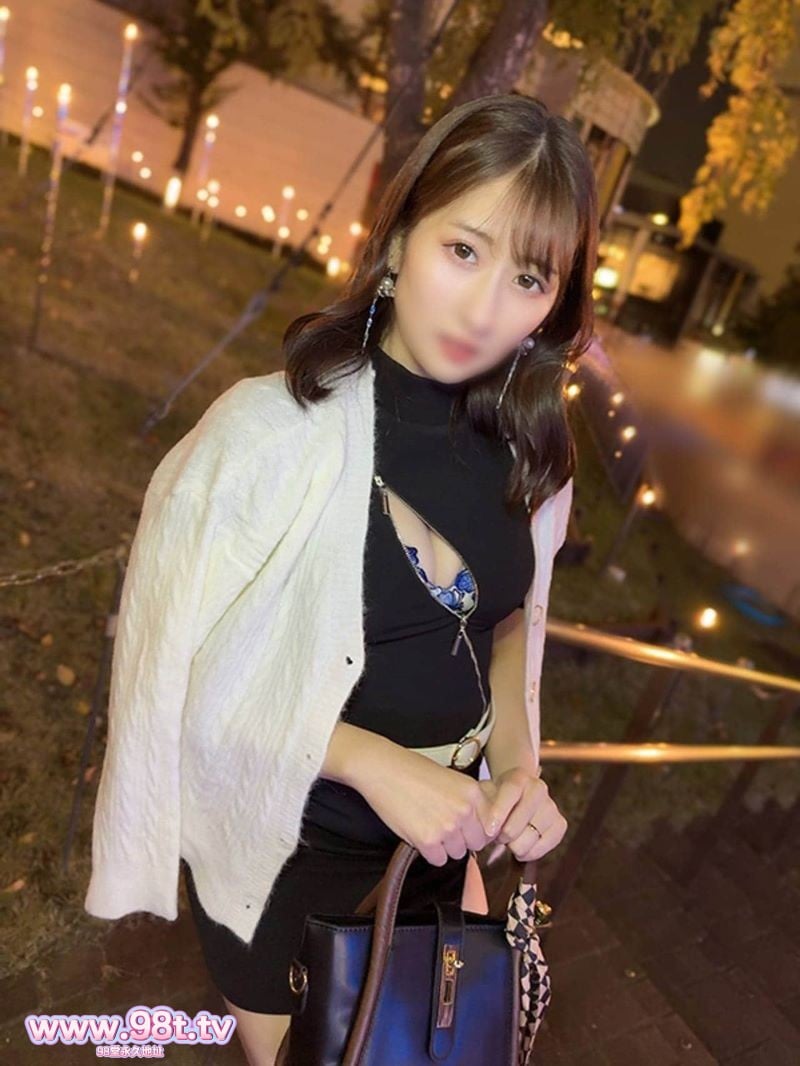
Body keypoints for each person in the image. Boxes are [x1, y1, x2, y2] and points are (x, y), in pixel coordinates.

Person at [84, 92, 598, 1065]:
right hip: (288, 847)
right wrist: (366, 760)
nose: (486, 309)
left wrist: (518, 768)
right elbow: (171, 673)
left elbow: (501, 626)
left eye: (528, 278)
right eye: (463, 250)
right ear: (399, 238)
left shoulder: (532, 452)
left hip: (437, 848)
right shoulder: (269, 434)